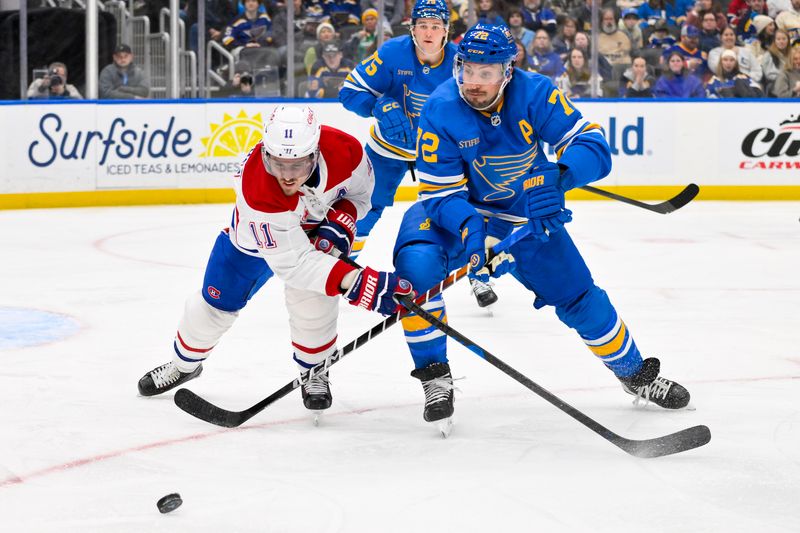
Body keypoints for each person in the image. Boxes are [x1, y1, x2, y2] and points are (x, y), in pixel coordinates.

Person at [393, 23, 691, 428]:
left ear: (507, 71)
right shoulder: (440, 106)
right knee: (415, 273)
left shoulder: (536, 92)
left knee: (580, 296)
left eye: (486, 73)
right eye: (467, 70)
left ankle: (634, 374)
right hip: (456, 211)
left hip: (523, 212)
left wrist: (560, 176)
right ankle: (435, 378)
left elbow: (594, 147)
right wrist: (471, 230)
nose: (473, 82)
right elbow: (440, 193)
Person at [137, 105, 414, 412]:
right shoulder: (257, 186)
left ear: (314, 152)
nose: (286, 175)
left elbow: (362, 196)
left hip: (314, 233)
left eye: (296, 165)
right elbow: (294, 264)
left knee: (313, 305)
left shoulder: (346, 152)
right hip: (252, 244)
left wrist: (341, 221)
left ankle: (314, 372)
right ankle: (184, 364)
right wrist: (358, 282)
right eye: (278, 163)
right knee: (213, 306)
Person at [761, 28, 792, 94]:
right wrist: (785, 77)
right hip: (775, 84)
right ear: (774, 41)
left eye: (784, 39)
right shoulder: (769, 55)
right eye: (778, 39)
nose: (781, 41)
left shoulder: (792, 54)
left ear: (788, 40)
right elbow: (769, 74)